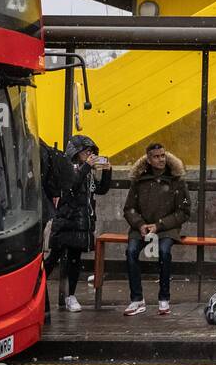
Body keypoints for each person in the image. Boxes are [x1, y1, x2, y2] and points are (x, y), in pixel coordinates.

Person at [122, 142, 190, 316]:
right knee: (130, 252)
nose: (161, 159)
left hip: (167, 228)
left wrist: (159, 225)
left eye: (163, 155)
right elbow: (129, 208)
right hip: (142, 227)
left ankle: (164, 298)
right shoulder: (139, 180)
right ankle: (137, 299)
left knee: (164, 251)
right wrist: (140, 225)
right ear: (149, 160)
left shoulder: (176, 179)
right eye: (156, 156)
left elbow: (184, 211)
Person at [45, 134, 112, 313]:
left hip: (81, 224)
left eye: (91, 152)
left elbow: (101, 189)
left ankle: (70, 296)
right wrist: (86, 167)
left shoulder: (87, 173)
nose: (89, 155)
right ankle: (37, 289)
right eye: (86, 151)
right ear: (76, 152)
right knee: (53, 259)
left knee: (75, 260)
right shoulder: (67, 168)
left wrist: (107, 171)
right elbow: (71, 185)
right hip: (65, 222)